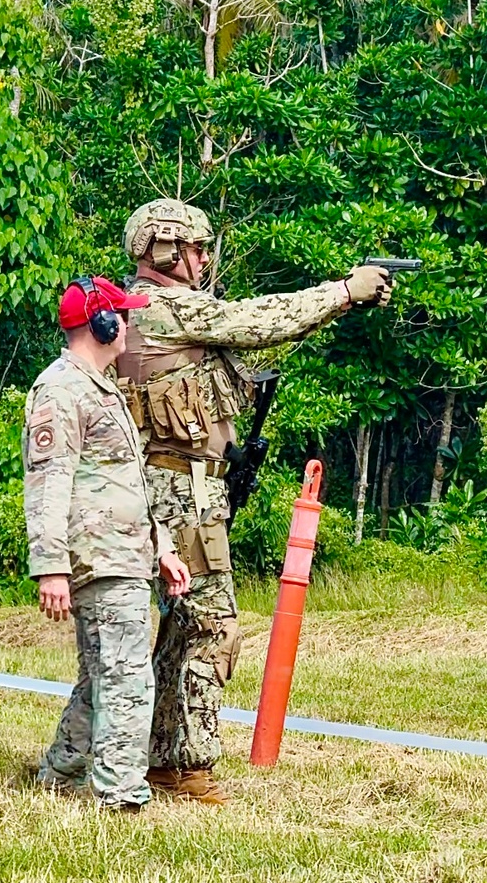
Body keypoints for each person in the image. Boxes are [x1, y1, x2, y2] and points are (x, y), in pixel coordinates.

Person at [117, 200, 393, 805]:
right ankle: (187, 764)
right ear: (165, 251)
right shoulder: (167, 307)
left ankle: (155, 755)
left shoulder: (132, 310)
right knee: (213, 627)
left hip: (169, 488)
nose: (203, 260)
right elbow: (259, 319)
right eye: (194, 249)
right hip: (180, 492)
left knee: (164, 633)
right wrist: (345, 292)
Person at [24, 275, 191, 812]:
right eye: (123, 314)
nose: (130, 324)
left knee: (103, 672)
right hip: (99, 557)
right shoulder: (61, 390)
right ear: (101, 324)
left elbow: (128, 482)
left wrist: (161, 548)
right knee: (126, 678)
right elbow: (48, 483)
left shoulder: (102, 386)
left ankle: (64, 770)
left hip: (125, 553)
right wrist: (50, 566)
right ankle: (119, 793)